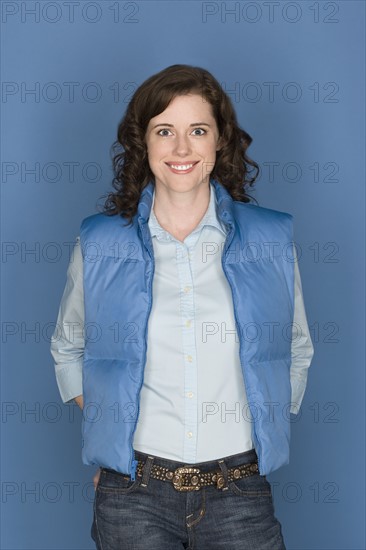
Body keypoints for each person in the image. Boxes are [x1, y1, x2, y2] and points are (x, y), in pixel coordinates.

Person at [50, 64, 314, 550]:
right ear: (143, 143)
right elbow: (69, 348)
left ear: (220, 142)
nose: (181, 149)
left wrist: (264, 425)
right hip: (133, 494)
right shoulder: (101, 241)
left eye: (198, 130)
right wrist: (113, 433)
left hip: (240, 490)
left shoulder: (271, 237)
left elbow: (296, 347)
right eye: (164, 131)